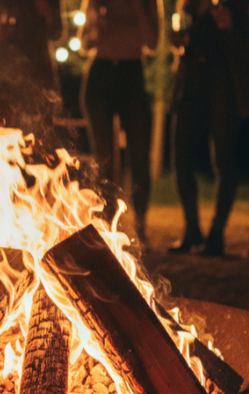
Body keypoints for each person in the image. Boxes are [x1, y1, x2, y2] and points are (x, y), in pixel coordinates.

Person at [168, 0, 249, 256]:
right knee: (180, 156)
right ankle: (192, 230)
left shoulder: (238, 6)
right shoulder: (190, 6)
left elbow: (247, 49)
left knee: (223, 158)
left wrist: (228, 28)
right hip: (191, 80)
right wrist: (179, 43)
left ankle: (216, 235)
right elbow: (184, 41)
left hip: (223, 83)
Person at [78, 0, 159, 242]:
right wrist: (98, 30)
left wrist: (138, 8)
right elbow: (84, 44)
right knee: (104, 158)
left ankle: (140, 222)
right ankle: (106, 221)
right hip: (100, 74)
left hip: (131, 74)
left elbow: (152, 43)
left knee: (140, 155)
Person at [0, 0, 66, 150]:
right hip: (0, 71)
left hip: (38, 71)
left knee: (41, 137)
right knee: (1, 135)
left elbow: (58, 34)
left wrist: (48, 14)